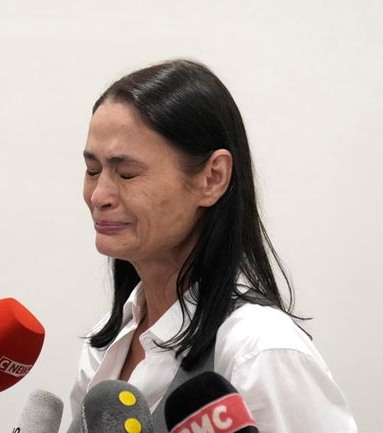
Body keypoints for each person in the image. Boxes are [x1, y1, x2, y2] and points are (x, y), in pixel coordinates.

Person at [69, 59, 357, 433]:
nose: (100, 195)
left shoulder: (259, 351)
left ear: (212, 177)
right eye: (93, 170)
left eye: (127, 173)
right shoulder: (106, 343)